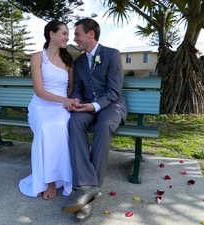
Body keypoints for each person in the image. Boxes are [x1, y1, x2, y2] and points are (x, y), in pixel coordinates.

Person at [62, 18, 127, 220]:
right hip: (87, 106)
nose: (75, 38)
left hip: (111, 105)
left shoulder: (111, 54)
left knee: (105, 124)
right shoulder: (79, 61)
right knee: (74, 121)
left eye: (77, 34)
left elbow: (114, 91)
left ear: (91, 34)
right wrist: (77, 100)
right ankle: (88, 186)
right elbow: (79, 89)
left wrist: (95, 105)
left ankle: (87, 192)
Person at [19, 20, 77, 200]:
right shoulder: (37, 58)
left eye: (68, 34)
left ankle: (62, 175)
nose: (67, 37)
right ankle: (49, 181)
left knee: (60, 124)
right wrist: (64, 100)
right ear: (52, 34)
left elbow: (70, 88)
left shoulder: (68, 61)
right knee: (45, 126)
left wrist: (68, 101)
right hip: (41, 105)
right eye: (64, 33)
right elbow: (39, 90)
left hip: (61, 106)